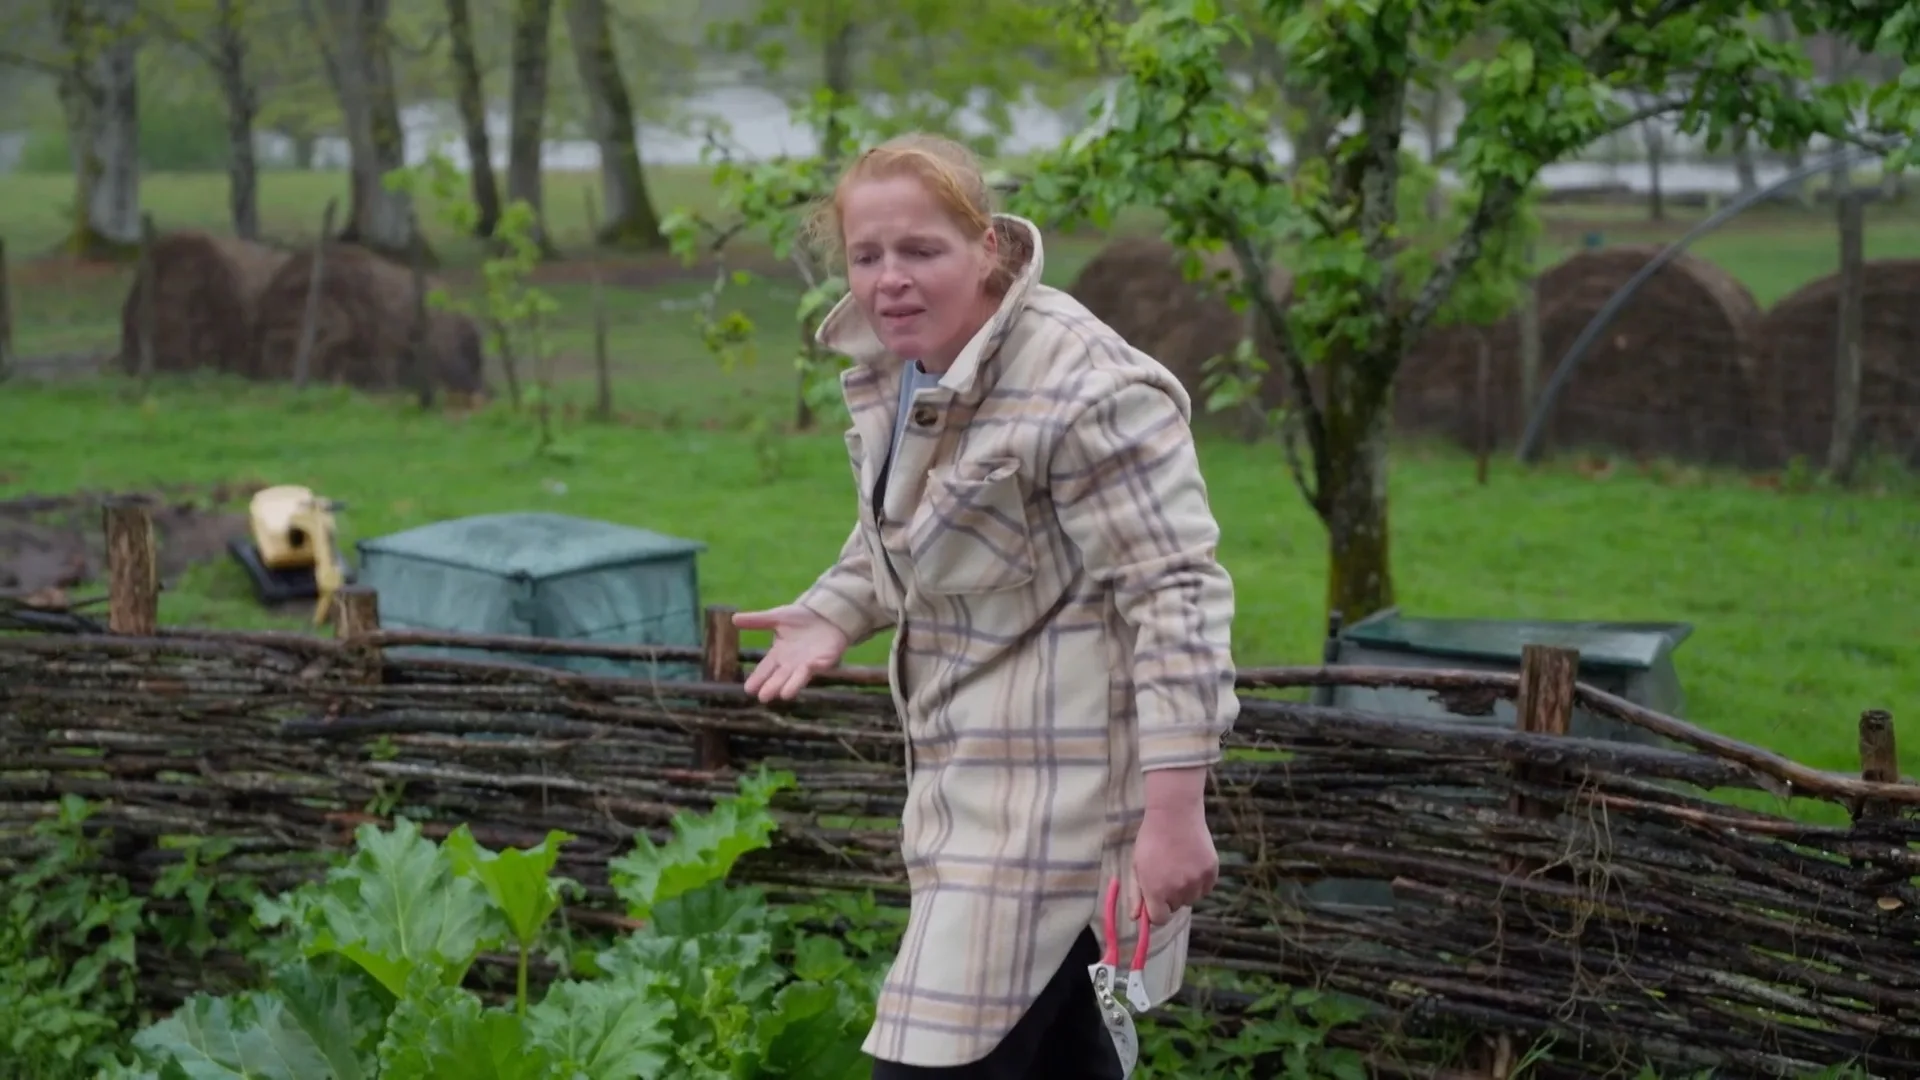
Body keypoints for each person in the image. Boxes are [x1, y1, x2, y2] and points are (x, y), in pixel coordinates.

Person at [732, 132, 1239, 1079]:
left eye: (921, 250)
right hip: (968, 786)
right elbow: (925, 526)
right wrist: (840, 606)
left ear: (987, 248)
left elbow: (1177, 595)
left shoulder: (1085, 389)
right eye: (867, 254)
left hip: (1063, 806)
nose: (889, 279)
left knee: (930, 1063)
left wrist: (1174, 812)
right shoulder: (914, 366)